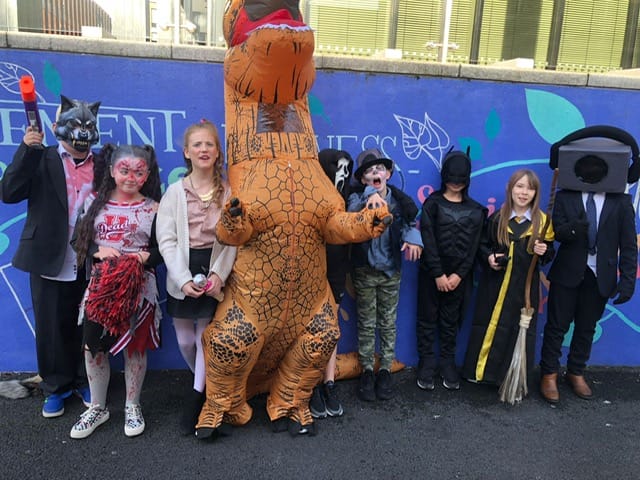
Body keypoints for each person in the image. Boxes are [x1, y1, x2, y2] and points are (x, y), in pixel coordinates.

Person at [0, 95, 101, 418]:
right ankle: (55, 387)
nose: (82, 132)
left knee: (87, 325)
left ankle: (85, 380)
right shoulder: (40, 157)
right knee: (51, 327)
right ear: (57, 125)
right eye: (75, 124)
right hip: (48, 255)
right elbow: (9, 192)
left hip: (90, 258)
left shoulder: (103, 164)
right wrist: (27, 150)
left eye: (89, 125)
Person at [68, 144, 163, 439]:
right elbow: (78, 241)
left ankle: (132, 405)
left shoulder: (154, 208)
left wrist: (145, 257)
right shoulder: (94, 202)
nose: (131, 177)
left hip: (139, 289)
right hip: (101, 289)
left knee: (135, 348)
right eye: (124, 170)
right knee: (93, 347)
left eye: (138, 172)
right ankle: (98, 407)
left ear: (147, 174)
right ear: (111, 171)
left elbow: (165, 249)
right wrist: (98, 251)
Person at [156, 120, 237, 435]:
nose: (204, 150)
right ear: (187, 152)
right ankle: (202, 384)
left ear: (217, 152)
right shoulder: (175, 193)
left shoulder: (228, 192)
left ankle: (195, 398)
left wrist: (218, 274)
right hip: (183, 269)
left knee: (205, 338)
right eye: (197, 145)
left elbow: (232, 240)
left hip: (214, 267)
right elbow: (167, 240)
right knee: (185, 341)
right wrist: (182, 278)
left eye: (210, 145)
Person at [539, 185, 637, 403]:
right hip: (567, 271)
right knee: (556, 326)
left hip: (600, 275)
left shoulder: (621, 201)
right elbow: (558, 232)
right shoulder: (566, 196)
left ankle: (576, 371)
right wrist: (574, 229)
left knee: (586, 327)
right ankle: (549, 373)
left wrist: (627, 281)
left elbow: (629, 245)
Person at [462, 169, 553, 389]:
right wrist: (489, 258)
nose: (524, 192)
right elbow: (482, 246)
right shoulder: (498, 218)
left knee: (518, 329)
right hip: (494, 286)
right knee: (488, 324)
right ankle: (482, 373)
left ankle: (510, 378)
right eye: (519, 186)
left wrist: (544, 251)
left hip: (524, 288)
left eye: (530, 188)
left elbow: (549, 254)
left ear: (536, 193)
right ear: (510, 189)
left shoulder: (542, 222)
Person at [348, 148, 423, 402]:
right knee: (366, 323)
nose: (375, 173)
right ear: (362, 179)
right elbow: (352, 215)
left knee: (388, 323)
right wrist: (369, 196)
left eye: (379, 169)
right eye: (369, 171)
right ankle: (367, 370)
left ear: (388, 174)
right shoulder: (357, 199)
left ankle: (385, 370)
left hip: (390, 272)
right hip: (365, 271)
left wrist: (414, 239)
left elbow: (409, 225)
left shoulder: (399, 202)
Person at [416, 149, 487, 391]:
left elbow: (475, 246)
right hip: (431, 274)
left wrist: (459, 275)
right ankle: (427, 362)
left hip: (460, 277)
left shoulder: (477, 211)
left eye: (460, 179)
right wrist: (438, 273)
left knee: (451, 322)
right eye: (451, 178)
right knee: (427, 319)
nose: (455, 183)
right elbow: (427, 239)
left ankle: (447, 362)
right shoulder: (432, 204)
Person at [309, 148, 353, 419]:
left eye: (347, 169)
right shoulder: (310, 195)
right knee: (310, 328)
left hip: (337, 268)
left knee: (331, 327)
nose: (343, 174)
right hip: (312, 267)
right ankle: (311, 383)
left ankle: (328, 383)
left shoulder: (351, 197)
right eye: (338, 168)